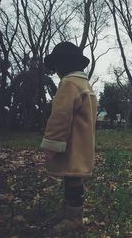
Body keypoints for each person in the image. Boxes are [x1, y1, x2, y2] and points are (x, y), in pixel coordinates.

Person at [40, 42, 97, 234]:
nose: (55, 71)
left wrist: (52, 145)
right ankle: (71, 213)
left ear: (63, 65)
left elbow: (60, 117)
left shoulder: (68, 84)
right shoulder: (85, 84)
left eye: (56, 66)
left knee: (71, 180)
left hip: (70, 144)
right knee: (74, 179)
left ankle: (73, 219)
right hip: (83, 145)